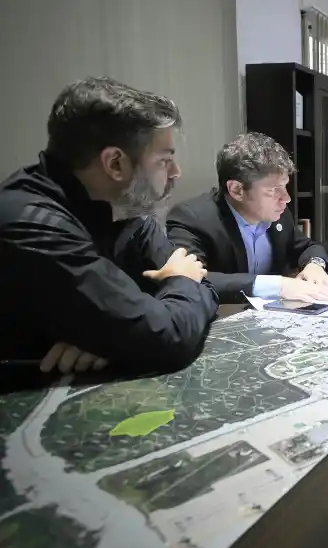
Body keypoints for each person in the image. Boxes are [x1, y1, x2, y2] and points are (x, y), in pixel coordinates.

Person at [0, 77, 219, 374]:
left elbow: (201, 283)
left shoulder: (128, 211)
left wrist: (115, 336)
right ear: (115, 164)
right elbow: (168, 338)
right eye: (164, 160)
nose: (176, 173)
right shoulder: (32, 225)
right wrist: (176, 285)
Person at [167, 132, 328, 304]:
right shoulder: (192, 218)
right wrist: (278, 286)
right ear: (236, 190)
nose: (286, 198)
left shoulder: (278, 214)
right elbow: (188, 278)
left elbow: (307, 246)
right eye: (272, 190)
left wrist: (315, 265)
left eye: (285, 186)